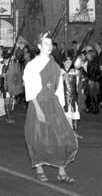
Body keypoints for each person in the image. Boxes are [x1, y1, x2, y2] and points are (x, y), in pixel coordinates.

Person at [23, 33, 78, 183]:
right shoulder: (32, 65)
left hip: (53, 103)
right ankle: (39, 167)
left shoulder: (55, 65)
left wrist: (62, 107)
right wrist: (38, 109)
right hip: (38, 104)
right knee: (38, 137)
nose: (49, 46)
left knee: (61, 136)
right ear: (39, 46)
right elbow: (30, 88)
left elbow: (58, 88)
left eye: (50, 44)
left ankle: (61, 170)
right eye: (45, 44)